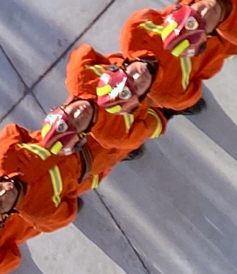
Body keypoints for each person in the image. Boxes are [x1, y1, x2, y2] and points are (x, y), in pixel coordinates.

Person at [61, 45, 167, 177]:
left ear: (62, 108)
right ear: (84, 134)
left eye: (70, 115)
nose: (79, 113)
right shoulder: (112, 135)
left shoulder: (78, 77)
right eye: (78, 124)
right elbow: (149, 126)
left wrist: (118, 62)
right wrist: (164, 111)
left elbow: (84, 51)